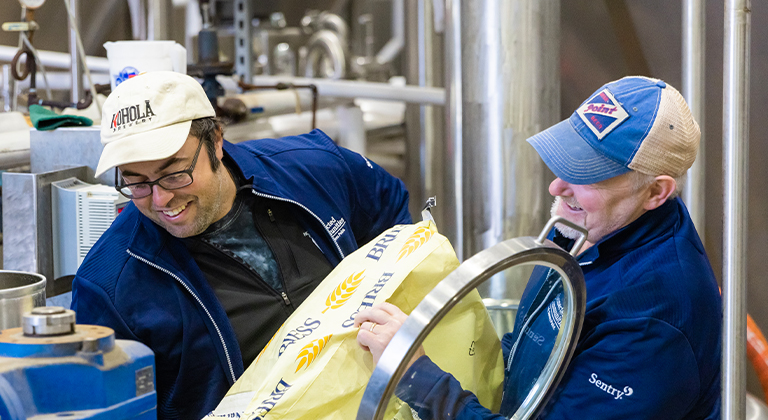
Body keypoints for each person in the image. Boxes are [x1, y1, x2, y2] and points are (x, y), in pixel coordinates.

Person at [355, 76, 721, 419]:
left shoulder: (653, 320)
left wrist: (417, 377)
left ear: (656, 192)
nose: (557, 187)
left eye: (587, 174)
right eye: (566, 160)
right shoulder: (591, 228)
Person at [70, 71, 411, 419]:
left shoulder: (312, 168)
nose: (161, 199)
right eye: (137, 181)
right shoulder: (108, 289)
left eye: (174, 173)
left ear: (215, 140)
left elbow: (393, 210)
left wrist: (392, 318)